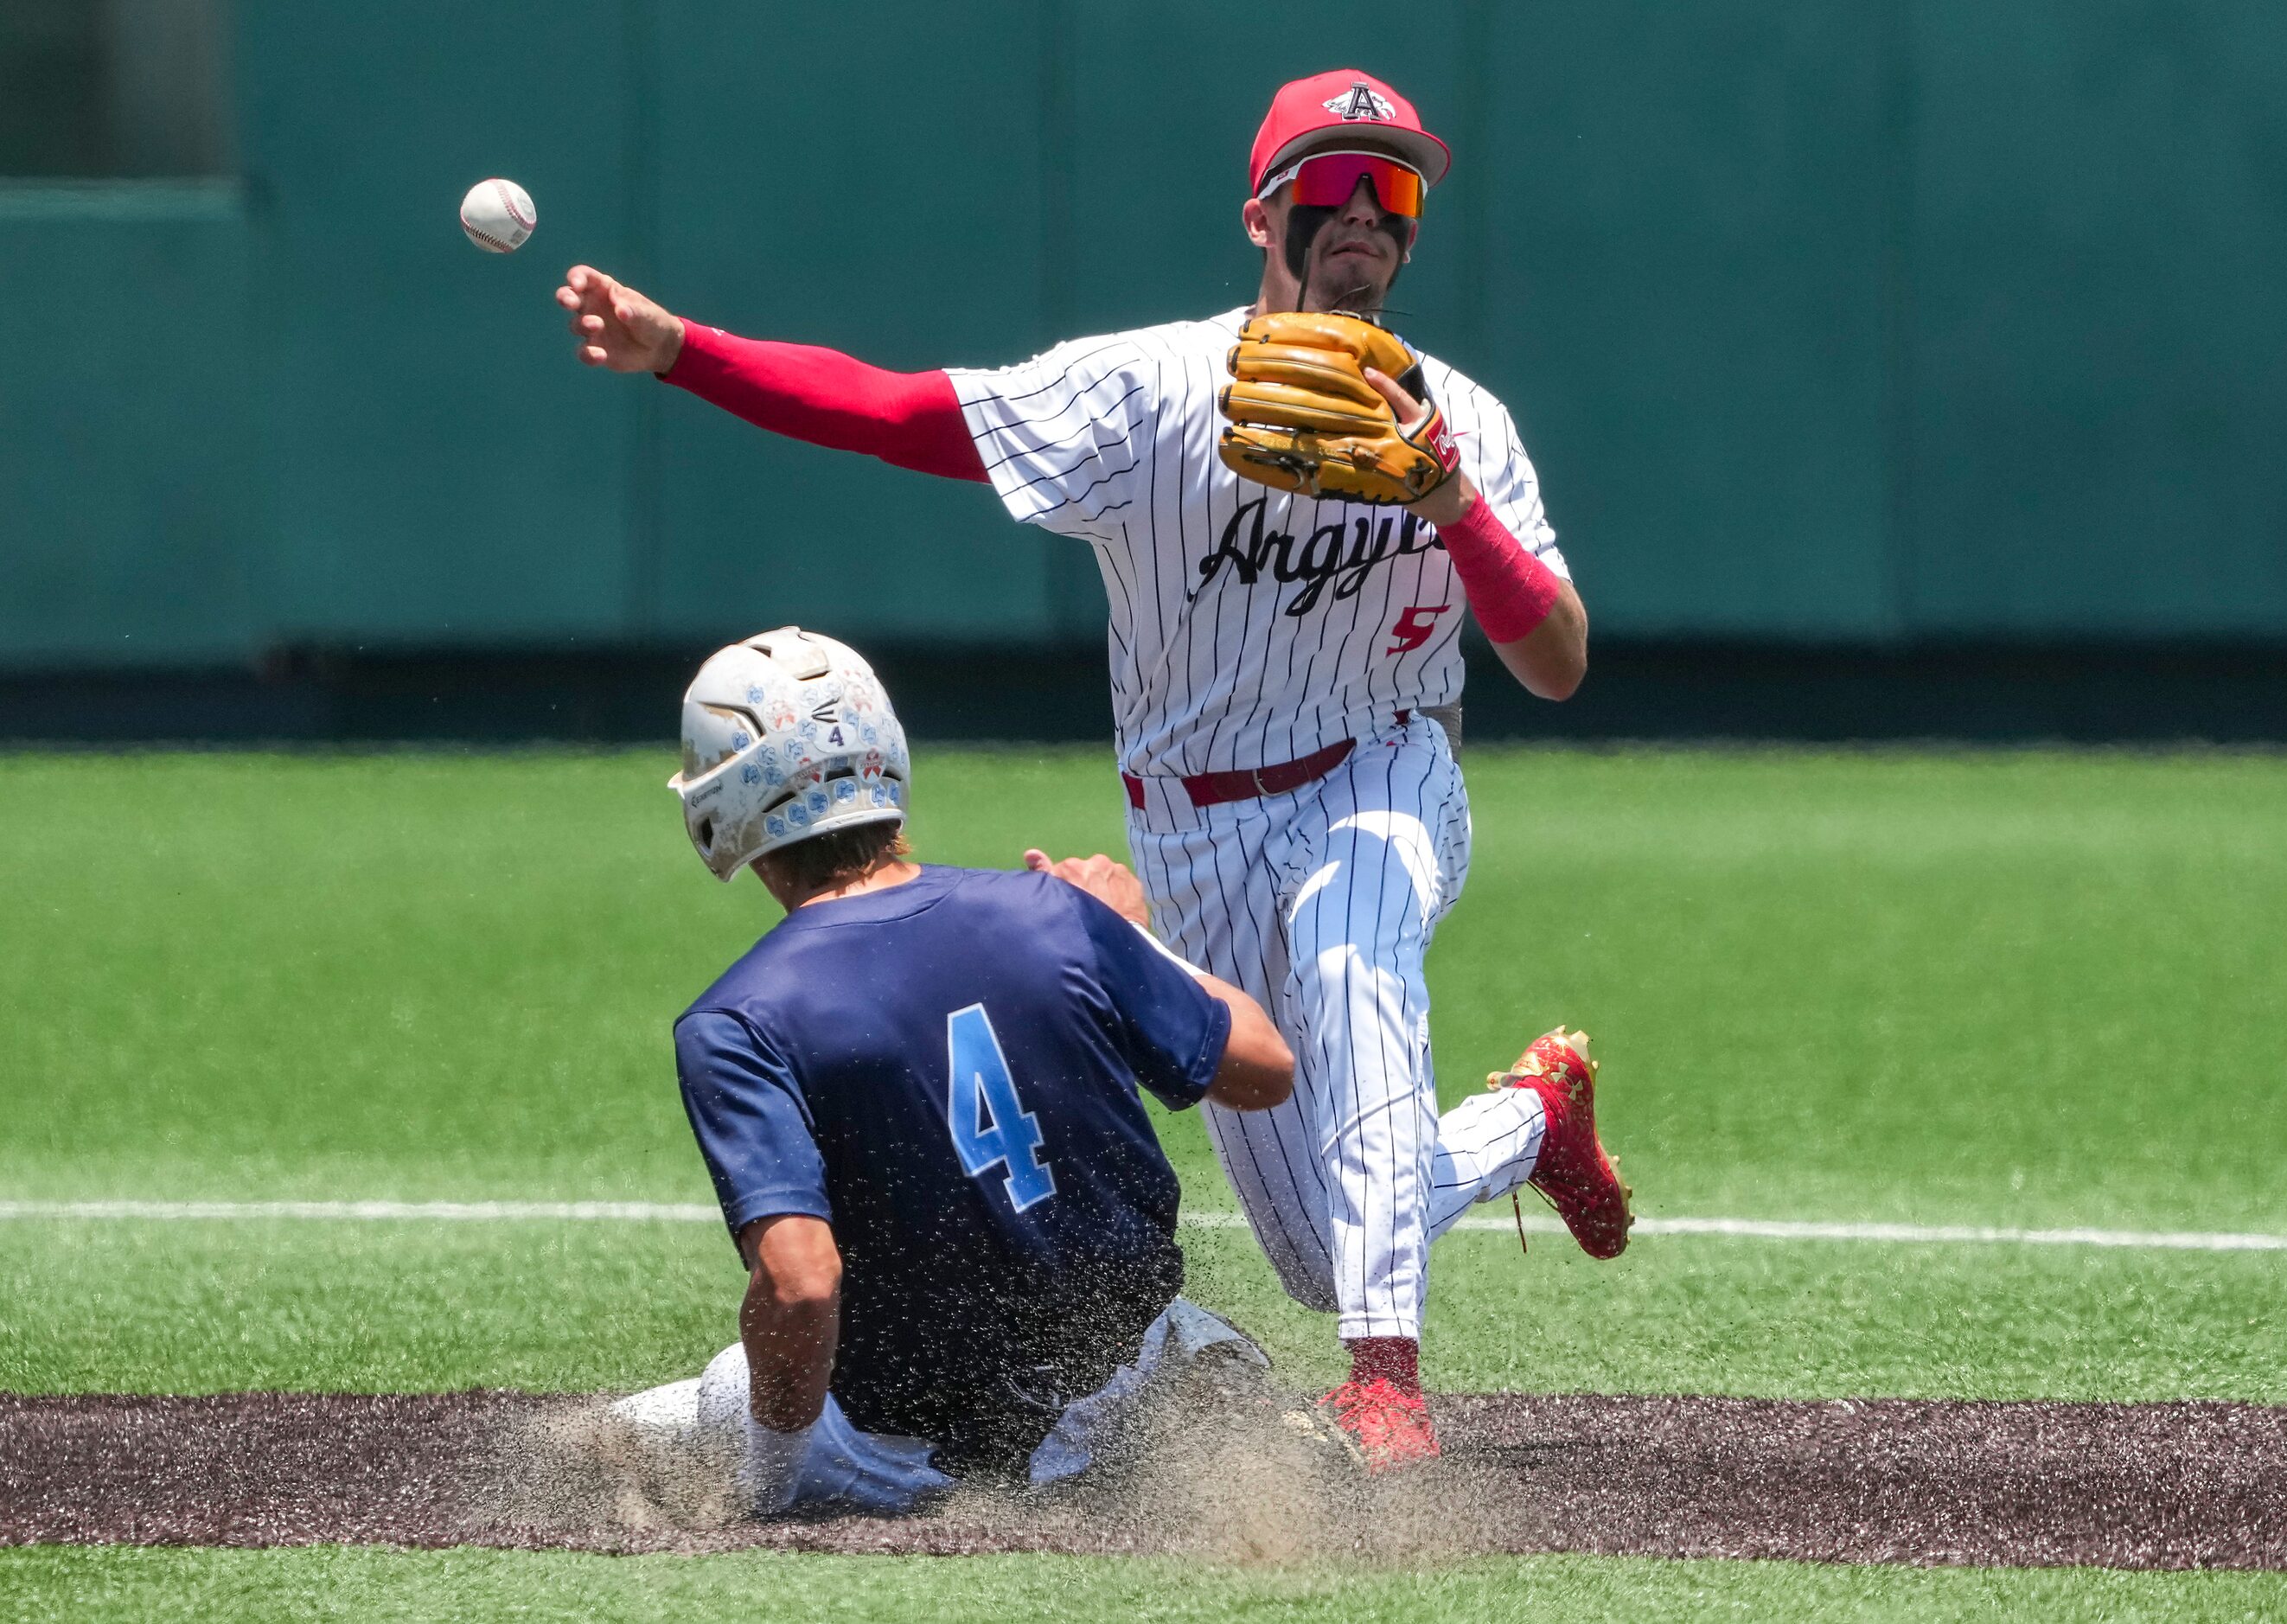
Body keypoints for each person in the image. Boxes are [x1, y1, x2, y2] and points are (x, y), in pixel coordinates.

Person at [561, 68, 1630, 1471]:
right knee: (1324, 1244)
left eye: (1396, 185)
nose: (1365, 208)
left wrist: (1448, 502)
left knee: (1351, 946)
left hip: (1381, 768)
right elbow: (899, 412)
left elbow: (1555, 659)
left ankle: (1387, 1389)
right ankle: (1529, 1115)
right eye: (1330, 180)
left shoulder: (1464, 424)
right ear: (1263, 210)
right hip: (1192, 829)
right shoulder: (1149, 396)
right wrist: (678, 349)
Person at [620, 626, 1301, 1516]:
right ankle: (1184, 1409)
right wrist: (1131, 936)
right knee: (1174, 1344)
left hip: (908, 1459)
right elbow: (1265, 1069)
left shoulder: (736, 1019)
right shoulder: (1056, 913)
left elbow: (801, 1281)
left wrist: (770, 1484)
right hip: (1121, 1403)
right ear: (887, 760)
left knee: (662, 1425)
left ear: (723, 799)